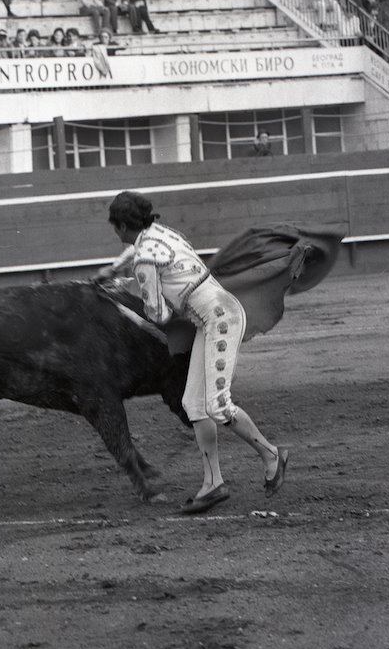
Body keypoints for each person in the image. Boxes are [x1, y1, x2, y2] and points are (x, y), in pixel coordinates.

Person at [97, 190, 288, 514]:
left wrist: (121, 297)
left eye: (115, 226)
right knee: (193, 404)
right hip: (213, 316)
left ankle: (271, 454)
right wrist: (113, 271)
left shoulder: (145, 260)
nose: (115, 233)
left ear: (122, 226)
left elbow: (158, 316)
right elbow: (137, 252)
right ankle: (213, 483)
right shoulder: (160, 232)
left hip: (219, 320)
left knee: (217, 404)